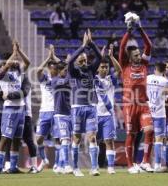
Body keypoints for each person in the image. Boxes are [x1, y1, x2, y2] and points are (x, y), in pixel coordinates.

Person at [119, 16, 154, 174]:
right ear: (130, 58)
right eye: (136, 55)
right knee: (131, 136)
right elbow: (121, 48)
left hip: (143, 104)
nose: (139, 56)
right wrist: (128, 30)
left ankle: (145, 162)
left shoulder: (145, 64)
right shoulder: (125, 66)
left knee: (149, 130)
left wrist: (139, 28)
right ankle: (130, 165)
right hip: (129, 105)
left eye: (139, 54)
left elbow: (149, 45)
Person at [68, 29, 102, 176]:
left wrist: (91, 44)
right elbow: (69, 60)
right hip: (77, 107)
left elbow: (100, 58)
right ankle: (75, 168)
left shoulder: (90, 70)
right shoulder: (74, 71)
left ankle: (94, 168)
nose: (83, 62)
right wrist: (82, 46)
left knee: (92, 137)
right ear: (77, 62)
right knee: (76, 138)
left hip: (91, 107)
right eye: (81, 60)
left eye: (85, 60)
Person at [0, 41, 31, 174]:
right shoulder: (3, 75)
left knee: (17, 139)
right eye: (14, 60)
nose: (16, 61)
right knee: (5, 138)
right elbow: (5, 67)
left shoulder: (18, 74)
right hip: (9, 109)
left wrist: (19, 52)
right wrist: (14, 54)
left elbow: (28, 63)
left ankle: (13, 167)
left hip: (21, 109)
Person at [95, 46, 122, 174]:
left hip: (108, 115)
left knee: (109, 141)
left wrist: (111, 57)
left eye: (106, 67)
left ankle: (110, 167)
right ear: (98, 68)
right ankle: (95, 166)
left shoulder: (111, 79)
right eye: (102, 67)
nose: (105, 69)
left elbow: (119, 71)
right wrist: (98, 57)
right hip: (94, 115)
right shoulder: (92, 80)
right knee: (93, 141)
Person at [35, 45, 61, 173]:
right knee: (39, 139)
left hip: (56, 111)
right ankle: (44, 160)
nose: (52, 70)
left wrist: (54, 56)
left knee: (58, 138)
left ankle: (57, 164)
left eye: (54, 68)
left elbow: (64, 65)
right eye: (50, 68)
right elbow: (38, 71)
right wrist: (48, 58)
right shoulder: (44, 78)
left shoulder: (60, 79)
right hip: (44, 111)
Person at [51, 61, 73, 174]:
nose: (67, 72)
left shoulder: (67, 79)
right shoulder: (55, 80)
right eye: (65, 70)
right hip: (59, 113)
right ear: (59, 71)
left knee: (66, 141)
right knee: (64, 139)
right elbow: (65, 81)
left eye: (67, 70)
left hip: (69, 113)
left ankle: (59, 166)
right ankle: (66, 165)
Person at [146, 62, 168, 172]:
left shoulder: (148, 78)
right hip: (160, 113)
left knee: (148, 138)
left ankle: (144, 163)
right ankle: (157, 165)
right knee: (159, 139)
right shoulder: (166, 81)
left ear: (155, 69)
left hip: (148, 112)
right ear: (164, 71)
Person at [22, 79, 38, 173]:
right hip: (13, 112)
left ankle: (34, 166)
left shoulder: (26, 80)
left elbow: (24, 93)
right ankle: (10, 165)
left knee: (29, 140)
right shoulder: (11, 79)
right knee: (11, 140)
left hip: (25, 114)